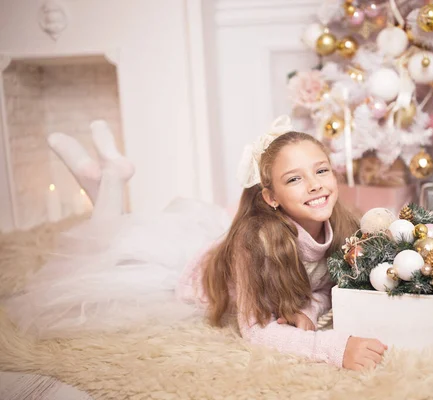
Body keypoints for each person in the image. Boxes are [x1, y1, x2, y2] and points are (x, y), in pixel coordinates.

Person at [3, 116, 387, 371]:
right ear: (270, 197)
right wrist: (334, 349)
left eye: (320, 170)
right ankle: (109, 179)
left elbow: (322, 284)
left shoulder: (340, 222)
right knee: (103, 249)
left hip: (214, 245)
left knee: (115, 234)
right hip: (181, 273)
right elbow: (256, 331)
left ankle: (100, 177)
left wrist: (306, 307)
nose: (316, 184)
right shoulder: (253, 246)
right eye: (294, 179)